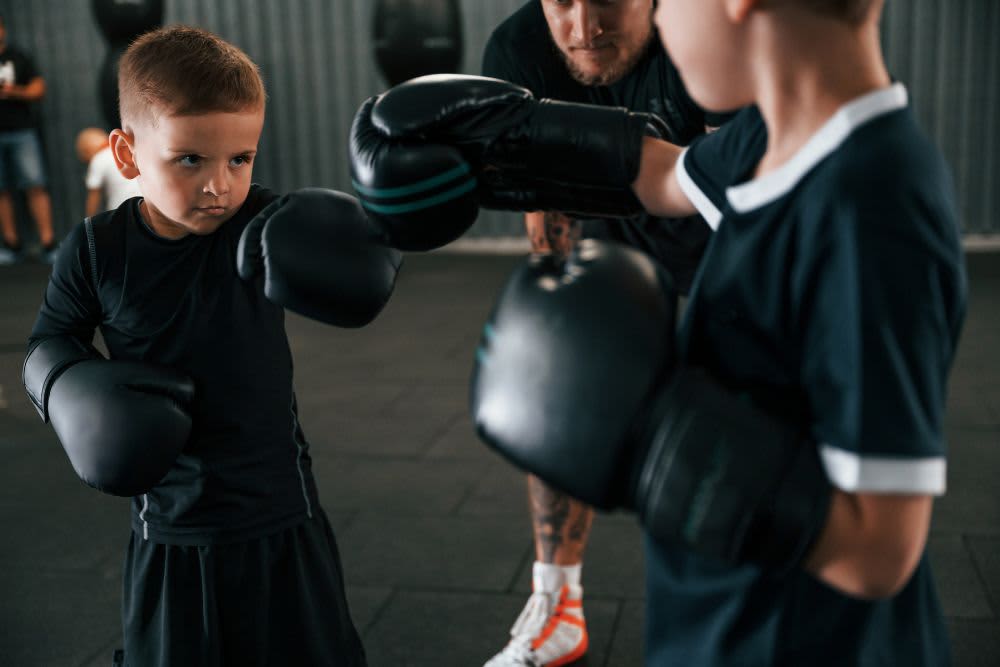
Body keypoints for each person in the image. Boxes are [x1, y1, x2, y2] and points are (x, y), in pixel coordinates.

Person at [349, 0, 967, 663]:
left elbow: (880, 550)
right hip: (719, 616)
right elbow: (663, 172)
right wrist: (514, 134)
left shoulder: (871, 204)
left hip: (797, 642)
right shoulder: (772, 141)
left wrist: (657, 439)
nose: (663, 19)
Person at [23, 26, 403, 667]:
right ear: (127, 154)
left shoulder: (267, 225)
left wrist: (391, 221)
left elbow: (361, 270)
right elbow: (47, 342)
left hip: (281, 509)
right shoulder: (96, 249)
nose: (219, 186)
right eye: (190, 159)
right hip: (171, 523)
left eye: (240, 159)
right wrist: (71, 392)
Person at [479, 2, 728, 664]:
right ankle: (557, 603)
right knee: (558, 375)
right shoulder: (519, 52)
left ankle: (735, 610)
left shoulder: (699, 37)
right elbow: (547, 226)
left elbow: (743, 196)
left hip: (709, 224)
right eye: (562, 1)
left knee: (729, 414)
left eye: (608, 0)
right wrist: (561, 324)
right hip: (597, 219)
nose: (585, 26)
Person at [0, 13, 56, 264]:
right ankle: (11, 245)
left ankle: (48, 243)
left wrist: (15, 92)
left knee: (35, 184)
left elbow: (38, 89)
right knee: (1, 191)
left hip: (22, 131)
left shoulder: (18, 57)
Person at [75, 126, 142, 217]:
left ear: (87, 150)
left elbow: (94, 198)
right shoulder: (128, 149)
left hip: (120, 213)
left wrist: (88, 224)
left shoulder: (98, 159)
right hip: (145, 206)